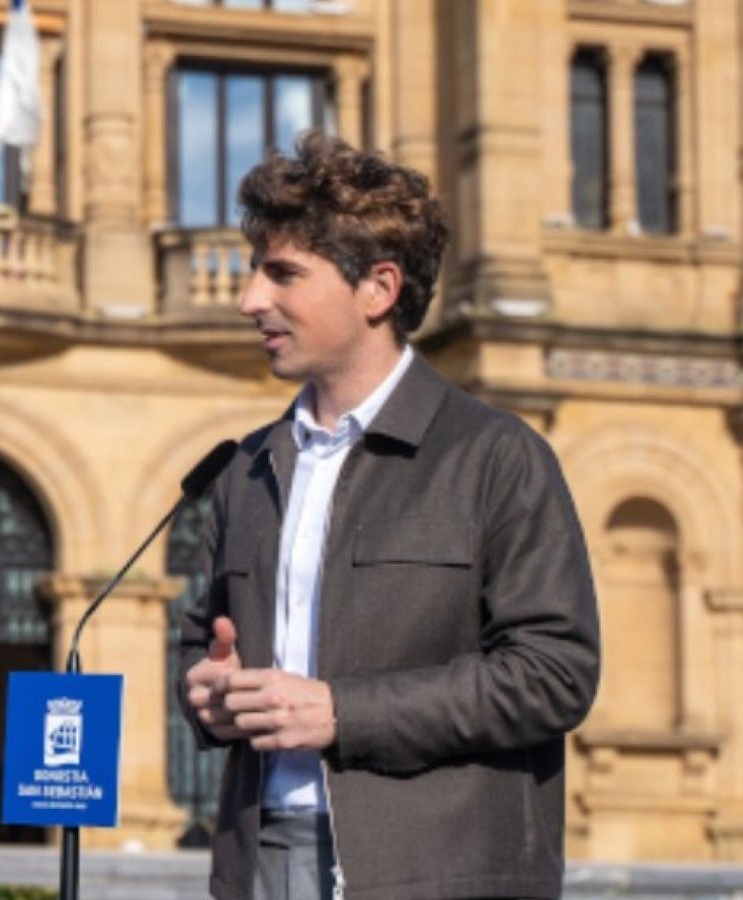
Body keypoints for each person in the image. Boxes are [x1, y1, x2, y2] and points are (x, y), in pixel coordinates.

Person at [178, 133, 600, 900]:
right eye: (254, 271)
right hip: (258, 863)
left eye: (283, 274)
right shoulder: (244, 469)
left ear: (377, 288)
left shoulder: (495, 456)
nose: (250, 300)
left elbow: (553, 674)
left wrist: (344, 713)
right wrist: (207, 693)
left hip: (435, 872)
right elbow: (199, 644)